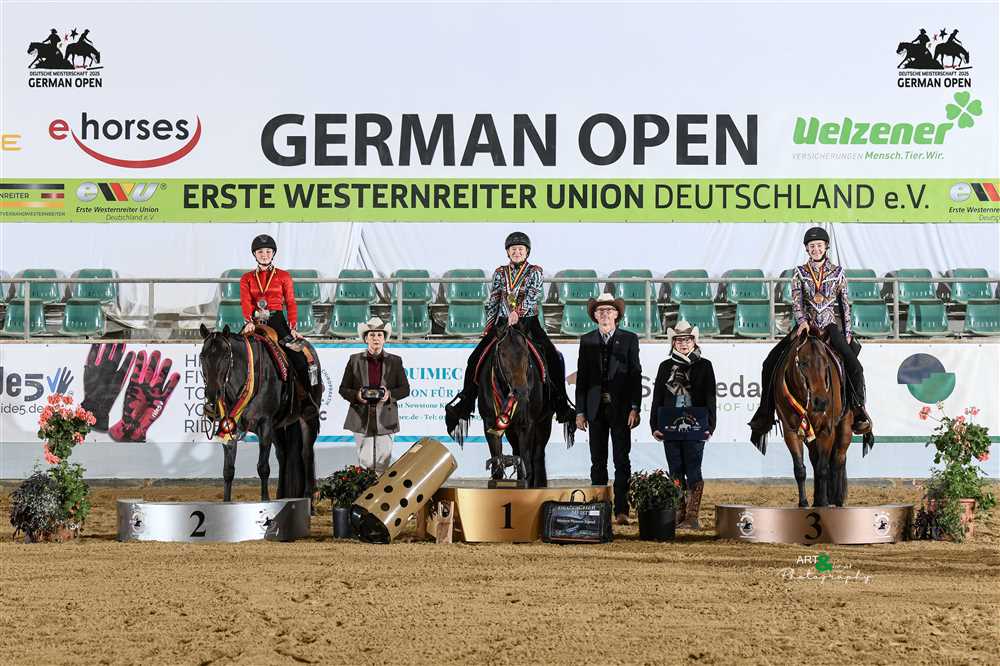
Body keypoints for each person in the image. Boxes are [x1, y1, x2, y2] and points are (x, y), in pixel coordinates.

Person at [748, 226, 871, 449]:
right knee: (770, 362)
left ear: (826, 247)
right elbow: (796, 301)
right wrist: (802, 321)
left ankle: (859, 410)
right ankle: (765, 412)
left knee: (855, 366)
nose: (816, 249)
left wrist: (847, 333)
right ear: (807, 249)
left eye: (819, 245)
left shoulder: (838, 272)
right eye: (812, 246)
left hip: (830, 327)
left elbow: (844, 305)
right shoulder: (799, 272)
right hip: (806, 327)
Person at [445, 231, 575, 435]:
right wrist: (489, 326)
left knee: (553, 357)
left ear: (527, 252)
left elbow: (533, 295)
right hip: (503, 324)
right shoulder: (499, 272)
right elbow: (495, 299)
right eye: (513, 249)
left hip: (529, 323)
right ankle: (466, 401)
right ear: (508, 252)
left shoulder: (535, 271)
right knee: (475, 358)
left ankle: (561, 404)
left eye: (520, 249)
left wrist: (518, 312)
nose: (517, 252)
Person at [575, 293, 642, 525]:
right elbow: (582, 378)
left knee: (622, 459)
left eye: (609, 310)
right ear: (595, 316)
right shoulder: (587, 340)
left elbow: (635, 375)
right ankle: (599, 509)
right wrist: (580, 411)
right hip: (595, 408)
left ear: (616, 315)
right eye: (600, 310)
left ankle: (622, 510)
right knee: (597, 460)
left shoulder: (630, 339)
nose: (604, 314)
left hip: (621, 409)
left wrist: (635, 407)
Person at [238, 234, 320, 411]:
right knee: (234, 353)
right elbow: (245, 301)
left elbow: (290, 302)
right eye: (260, 252)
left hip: (277, 320)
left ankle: (306, 398)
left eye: (268, 251)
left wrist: (292, 326)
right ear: (254, 254)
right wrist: (249, 321)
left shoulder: (284, 276)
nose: (264, 255)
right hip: (254, 321)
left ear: (273, 253)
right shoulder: (246, 278)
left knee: (299, 356)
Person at [649, 321, 716, 530]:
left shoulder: (704, 366)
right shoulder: (665, 367)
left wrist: (710, 425)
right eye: (679, 340)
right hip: (669, 425)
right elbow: (657, 398)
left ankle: (692, 516)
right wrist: (654, 425)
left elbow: (710, 398)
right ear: (673, 343)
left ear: (694, 342)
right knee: (675, 469)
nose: (683, 343)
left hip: (696, 425)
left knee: (694, 469)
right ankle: (679, 512)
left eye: (687, 339)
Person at [338, 317, 410, 475]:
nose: (376, 338)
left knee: (383, 463)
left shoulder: (395, 361)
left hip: (386, 416)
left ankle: (380, 491)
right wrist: (357, 395)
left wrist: (389, 394)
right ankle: (366, 490)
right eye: (372, 335)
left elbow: (405, 389)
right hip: (361, 416)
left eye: (379, 335)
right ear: (366, 339)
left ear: (384, 339)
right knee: (365, 463)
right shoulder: (354, 360)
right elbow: (343, 389)